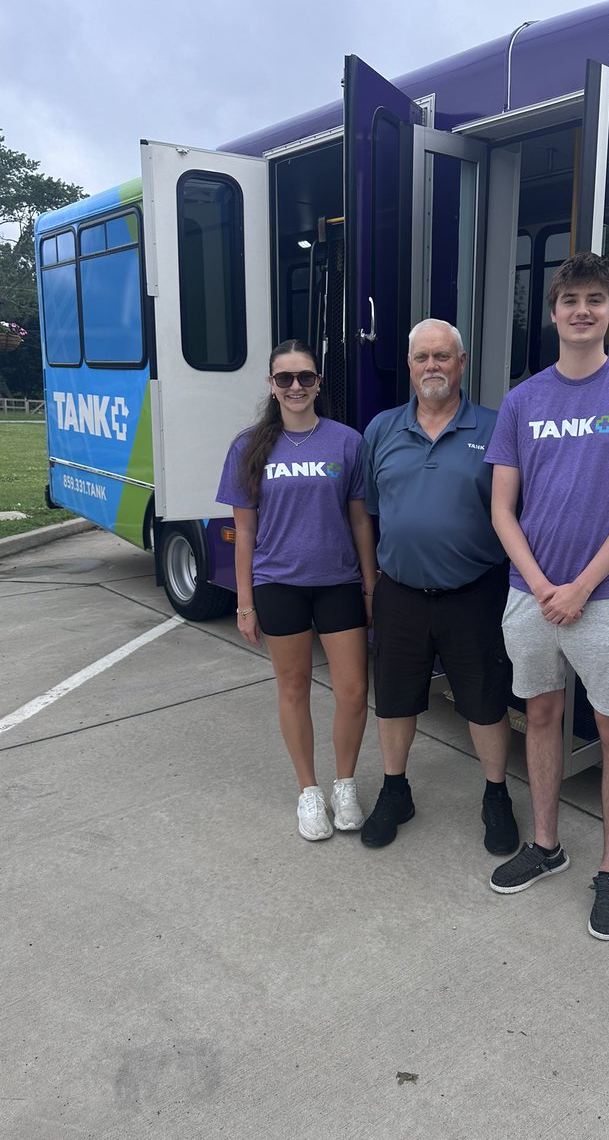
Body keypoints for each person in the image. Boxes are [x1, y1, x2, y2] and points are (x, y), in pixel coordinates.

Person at [485, 253, 609, 940]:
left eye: (595, 299)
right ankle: (545, 845)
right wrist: (543, 586)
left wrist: (581, 587)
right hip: (531, 597)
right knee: (539, 719)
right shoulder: (522, 399)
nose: (582, 311)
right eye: (570, 299)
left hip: (603, 600)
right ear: (553, 312)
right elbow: (502, 508)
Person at [360, 319, 518, 854]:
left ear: (462, 363)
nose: (433, 366)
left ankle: (495, 795)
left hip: (474, 594)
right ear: (409, 366)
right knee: (395, 701)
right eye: (423, 357)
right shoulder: (381, 430)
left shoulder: (497, 429)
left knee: (485, 702)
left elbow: (515, 511)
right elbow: (374, 511)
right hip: (400, 592)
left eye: (443, 357)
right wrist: (370, 583)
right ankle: (394, 789)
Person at [216, 339, 377, 842]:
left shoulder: (347, 442)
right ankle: (308, 791)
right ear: (271, 385)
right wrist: (245, 602)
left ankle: (344, 784)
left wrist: (371, 586)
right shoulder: (248, 446)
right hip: (278, 584)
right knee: (294, 688)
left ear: (318, 383)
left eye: (305, 377)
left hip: (340, 584)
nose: (295, 387)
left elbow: (360, 520)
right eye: (284, 378)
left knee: (353, 691)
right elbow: (244, 531)